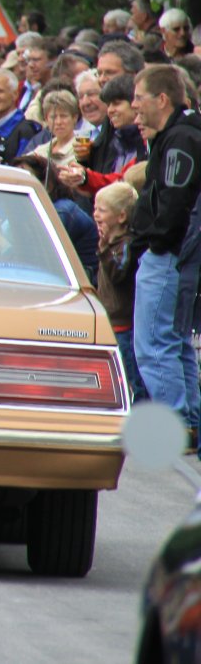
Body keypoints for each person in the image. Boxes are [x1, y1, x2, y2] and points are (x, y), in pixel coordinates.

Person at [129, 64, 201, 429]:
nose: (134, 105)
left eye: (139, 97)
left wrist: (156, 244)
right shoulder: (177, 134)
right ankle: (189, 424)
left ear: (161, 99)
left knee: (154, 345)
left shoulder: (182, 139)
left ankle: (175, 426)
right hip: (178, 257)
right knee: (175, 342)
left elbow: (175, 202)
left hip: (169, 257)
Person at [93, 181, 144, 402]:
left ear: (121, 216)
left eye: (102, 210)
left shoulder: (125, 246)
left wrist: (104, 248)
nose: (95, 214)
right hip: (110, 323)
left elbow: (118, 273)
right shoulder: (109, 244)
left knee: (130, 380)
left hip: (124, 326)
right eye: (95, 208)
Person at [27, 89, 81, 165]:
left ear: (75, 118)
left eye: (63, 116)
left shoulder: (82, 149)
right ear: (46, 119)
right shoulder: (40, 150)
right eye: (53, 117)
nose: (58, 122)